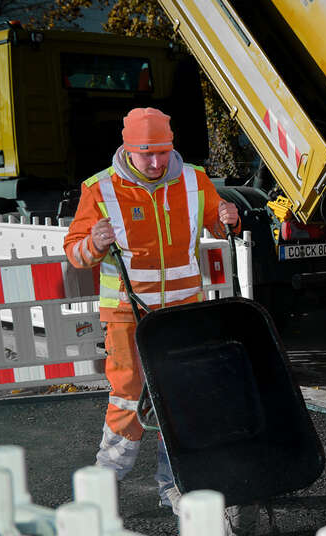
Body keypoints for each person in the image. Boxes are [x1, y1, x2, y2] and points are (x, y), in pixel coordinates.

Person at [64, 107, 239, 514]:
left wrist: (228, 218)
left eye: (162, 152)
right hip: (127, 314)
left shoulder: (195, 180)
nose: (157, 163)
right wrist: (94, 241)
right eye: (147, 154)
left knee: (181, 398)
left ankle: (175, 486)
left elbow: (218, 223)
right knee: (128, 398)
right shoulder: (100, 189)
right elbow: (75, 253)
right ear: (127, 149)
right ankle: (104, 485)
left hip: (182, 313)